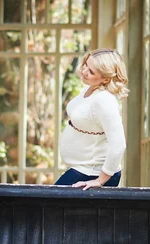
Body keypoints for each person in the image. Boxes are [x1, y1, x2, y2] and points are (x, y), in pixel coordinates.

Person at [55, 48, 128, 190]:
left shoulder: (104, 100)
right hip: (82, 168)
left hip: (92, 172)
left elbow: (119, 145)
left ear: (106, 78)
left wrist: (100, 180)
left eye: (91, 71)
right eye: (86, 64)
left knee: (46, 205)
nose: (84, 70)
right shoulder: (90, 89)